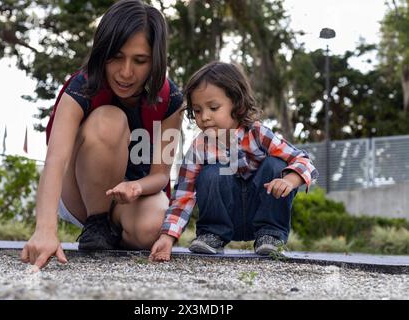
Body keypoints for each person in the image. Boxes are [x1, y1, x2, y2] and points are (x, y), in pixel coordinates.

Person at [21, 0, 184, 269]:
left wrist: (136, 188)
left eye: (140, 61)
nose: (126, 72)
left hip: (130, 194)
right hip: (80, 191)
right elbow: (56, 159)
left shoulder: (170, 100)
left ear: (155, 60)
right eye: (116, 57)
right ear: (102, 52)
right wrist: (45, 229)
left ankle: (116, 232)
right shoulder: (81, 87)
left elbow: (161, 174)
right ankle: (97, 224)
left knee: (153, 227)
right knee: (110, 119)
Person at [149, 61, 318, 262]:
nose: (205, 117)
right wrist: (168, 237)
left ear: (237, 104)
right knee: (212, 171)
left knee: (277, 165)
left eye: (213, 107)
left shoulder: (258, 134)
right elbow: (183, 195)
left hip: (262, 210)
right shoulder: (199, 146)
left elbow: (304, 161)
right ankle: (212, 235)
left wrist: (290, 179)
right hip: (225, 217)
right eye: (197, 110)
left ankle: (271, 236)